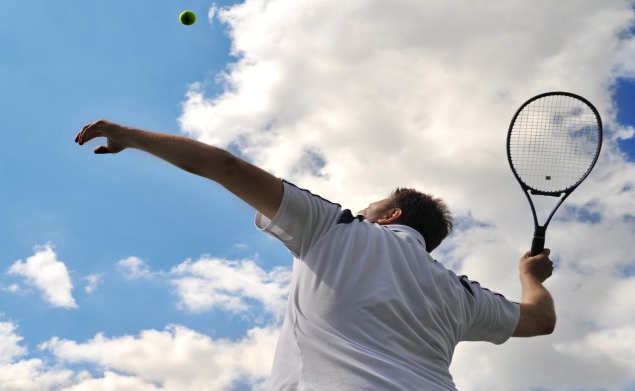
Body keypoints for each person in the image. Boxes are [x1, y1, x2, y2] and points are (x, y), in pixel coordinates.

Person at [75, 119, 556, 390]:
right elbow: (539, 320)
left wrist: (131, 136)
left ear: (389, 216)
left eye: (372, 205)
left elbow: (223, 165)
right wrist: (529, 275)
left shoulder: (339, 228)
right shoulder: (461, 294)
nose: (362, 207)